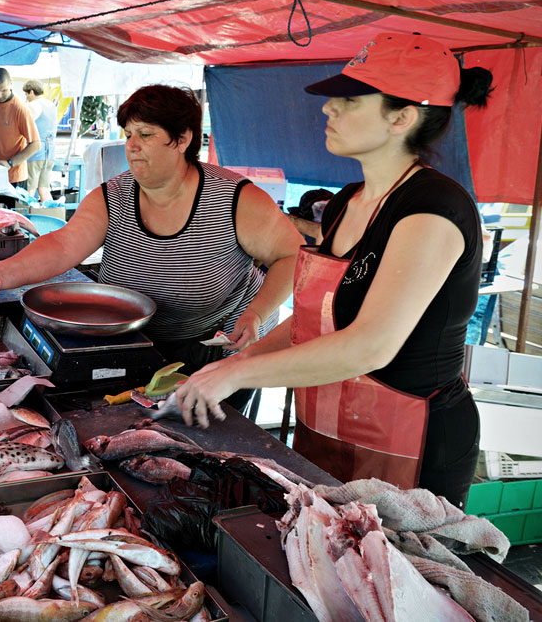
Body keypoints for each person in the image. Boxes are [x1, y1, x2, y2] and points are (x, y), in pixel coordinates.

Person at [174, 33, 491, 508]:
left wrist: (238, 378)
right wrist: (233, 364)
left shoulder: (433, 209)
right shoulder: (344, 202)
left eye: (348, 101)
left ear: (402, 118)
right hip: (324, 420)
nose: (328, 110)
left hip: (410, 440)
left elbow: (369, 347)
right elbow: (312, 324)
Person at [0, 84, 303, 411]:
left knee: (207, 442)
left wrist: (256, 314)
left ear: (182, 140)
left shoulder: (234, 198)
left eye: (146, 135)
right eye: (128, 134)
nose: (131, 145)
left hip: (221, 344)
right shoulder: (114, 195)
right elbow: (63, 244)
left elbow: (294, 257)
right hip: (142, 339)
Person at [0, 68, 41, 186]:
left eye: (4, 90)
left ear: (11, 84)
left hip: (14, 177)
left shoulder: (19, 108)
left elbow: (36, 144)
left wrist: (10, 163)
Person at [23, 79, 58, 202]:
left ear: (31, 92)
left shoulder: (33, 105)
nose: (26, 97)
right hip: (51, 151)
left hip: (36, 151)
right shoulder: (52, 105)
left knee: (30, 189)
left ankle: (27, 218)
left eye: (27, 94)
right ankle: (51, 215)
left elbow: (23, 126)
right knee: (44, 189)